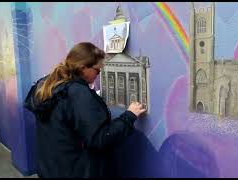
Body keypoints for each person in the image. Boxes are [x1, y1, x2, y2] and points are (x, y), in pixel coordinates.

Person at [24, 42, 146, 178]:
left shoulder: (48, 84)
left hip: (51, 168)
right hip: (76, 170)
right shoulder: (78, 93)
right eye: (97, 70)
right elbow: (100, 138)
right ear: (83, 67)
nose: (98, 75)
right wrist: (129, 115)